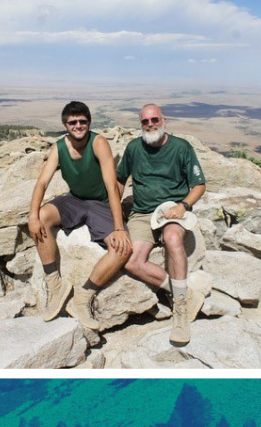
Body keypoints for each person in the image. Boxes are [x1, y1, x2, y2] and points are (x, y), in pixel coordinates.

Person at [27, 101, 132, 329]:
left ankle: (83, 297)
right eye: (72, 122)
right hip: (74, 199)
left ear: (89, 123)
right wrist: (32, 215)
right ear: (65, 125)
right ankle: (56, 285)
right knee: (41, 217)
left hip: (101, 203)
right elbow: (42, 182)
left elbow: (111, 185)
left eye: (82, 121)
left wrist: (119, 227)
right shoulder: (59, 148)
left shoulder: (98, 143)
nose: (78, 126)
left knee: (122, 249)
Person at [117, 104, 206, 345]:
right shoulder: (134, 148)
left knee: (173, 239)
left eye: (154, 119)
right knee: (131, 261)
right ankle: (182, 293)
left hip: (172, 210)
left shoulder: (181, 148)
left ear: (163, 120)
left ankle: (179, 311)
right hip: (143, 212)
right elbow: (119, 180)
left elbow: (199, 185)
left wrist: (184, 206)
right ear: (140, 124)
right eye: (145, 121)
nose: (150, 124)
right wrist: (113, 211)